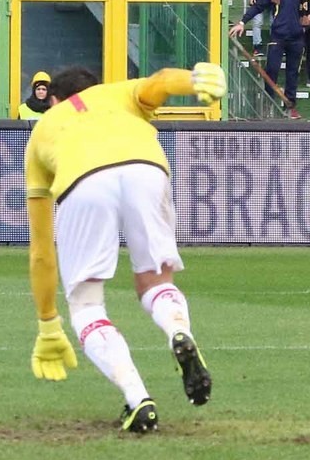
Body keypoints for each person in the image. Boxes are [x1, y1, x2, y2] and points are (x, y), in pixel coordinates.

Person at [24, 64, 223, 432]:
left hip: (81, 181)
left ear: (53, 100)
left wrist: (48, 323)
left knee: (86, 305)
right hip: (146, 168)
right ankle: (179, 331)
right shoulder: (117, 93)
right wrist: (196, 80)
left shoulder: (42, 131)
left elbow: (40, 250)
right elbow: (162, 81)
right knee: (157, 280)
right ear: (95, 88)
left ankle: (138, 399)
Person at [229, 0, 310, 119]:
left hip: (297, 39)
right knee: (271, 71)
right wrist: (242, 22)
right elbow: (258, 6)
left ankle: (290, 107)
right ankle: (268, 104)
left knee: (292, 73)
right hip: (278, 37)